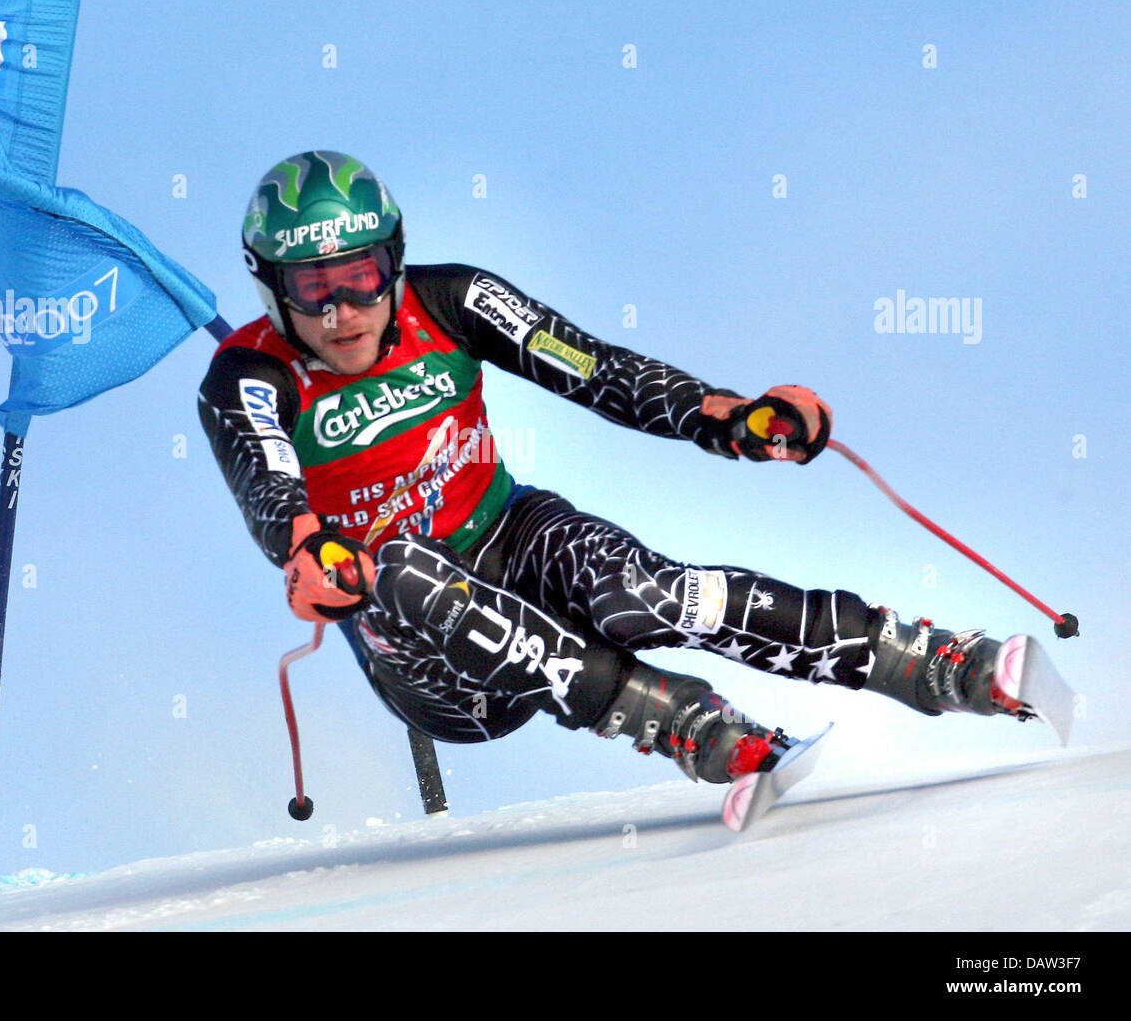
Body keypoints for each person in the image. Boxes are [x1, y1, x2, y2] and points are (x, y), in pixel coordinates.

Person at [198, 150, 1027, 788]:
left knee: (646, 589)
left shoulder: (452, 301)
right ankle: (680, 723)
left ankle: (923, 659)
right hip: (429, 655)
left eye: (363, 276)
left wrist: (730, 418)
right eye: (315, 289)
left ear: (395, 261)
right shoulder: (247, 374)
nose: (344, 311)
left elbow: (594, 370)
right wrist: (311, 550)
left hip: (507, 535)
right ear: (273, 290)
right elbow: (269, 487)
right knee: (401, 570)